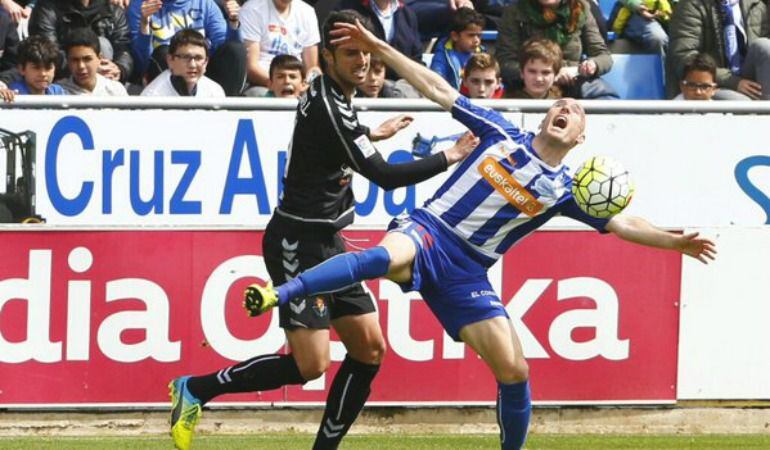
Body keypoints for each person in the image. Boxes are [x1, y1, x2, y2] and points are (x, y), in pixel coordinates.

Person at [241, 19, 717, 450]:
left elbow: (621, 222)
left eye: (574, 110)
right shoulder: (500, 131)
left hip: (467, 272)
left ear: (578, 138)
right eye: (560, 102)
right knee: (385, 256)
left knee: (515, 369)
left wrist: (674, 241)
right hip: (430, 230)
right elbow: (435, 86)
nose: (565, 106)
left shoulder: (563, 188)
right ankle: (281, 292)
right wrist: (380, 50)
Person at [166, 10, 477, 450]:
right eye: (351, 54)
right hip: (297, 242)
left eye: (367, 53)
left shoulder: (334, 99)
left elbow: (335, 140)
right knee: (311, 365)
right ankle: (196, 389)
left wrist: (371, 132)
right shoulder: (331, 104)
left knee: (370, 349)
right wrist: (450, 155)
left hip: (330, 242)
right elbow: (382, 175)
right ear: (327, 57)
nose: (363, 63)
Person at [495, 0, 619, 99]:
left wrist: (593, 65)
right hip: (529, 83)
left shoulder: (581, 8)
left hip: (573, 81)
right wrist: (549, 74)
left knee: (606, 96)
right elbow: (505, 62)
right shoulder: (515, 11)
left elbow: (603, 55)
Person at [127, 0, 246, 96]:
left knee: (236, 49)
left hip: (200, 71)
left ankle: (230, 109)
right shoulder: (141, 5)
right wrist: (144, 24)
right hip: (165, 75)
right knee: (165, 51)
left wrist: (233, 21)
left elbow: (227, 50)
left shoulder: (205, 3)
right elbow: (142, 63)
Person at [668, 0, 770, 100]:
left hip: (749, 81)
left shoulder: (756, 4)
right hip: (709, 84)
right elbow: (684, 57)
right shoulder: (691, 5)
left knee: (764, 46)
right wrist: (734, 82)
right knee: (742, 102)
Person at [29, 0, 134, 83]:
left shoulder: (112, 11)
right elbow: (48, 52)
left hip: (108, 80)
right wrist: (89, 68)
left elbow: (123, 47)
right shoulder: (47, 9)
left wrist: (119, 69)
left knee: (103, 45)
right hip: (65, 83)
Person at [239, 0, 321, 95]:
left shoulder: (307, 12)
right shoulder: (252, 9)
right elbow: (251, 67)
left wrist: (304, 85)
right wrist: (280, 86)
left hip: (298, 84)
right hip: (262, 84)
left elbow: (312, 67)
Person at [335, 0, 422, 80]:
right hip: (360, 84)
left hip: (401, 87)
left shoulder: (408, 14)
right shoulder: (346, 8)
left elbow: (416, 58)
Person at [140, 28, 224, 97]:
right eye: (185, 57)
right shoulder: (153, 96)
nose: (192, 65)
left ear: (206, 62)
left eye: (198, 58)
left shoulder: (215, 92)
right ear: (170, 60)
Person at [59, 27, 129, 95]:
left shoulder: (115, 90)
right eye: (75, 60)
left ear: (99, 58)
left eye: (87, 59)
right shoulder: (58, 92)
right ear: (67, 60)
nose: (81, 66)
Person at [429, 6, 485, 89]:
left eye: (479, 36)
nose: (476, 40)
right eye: (471, 35)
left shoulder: (482, 54)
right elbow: (437, 83)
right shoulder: (442, 57)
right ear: (455, 36)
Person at [0, 34, 64, 102]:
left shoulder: (58, 91)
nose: (43, 74)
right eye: (36, 68)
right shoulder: (12, 93)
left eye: (48, 68)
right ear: (21, 69)